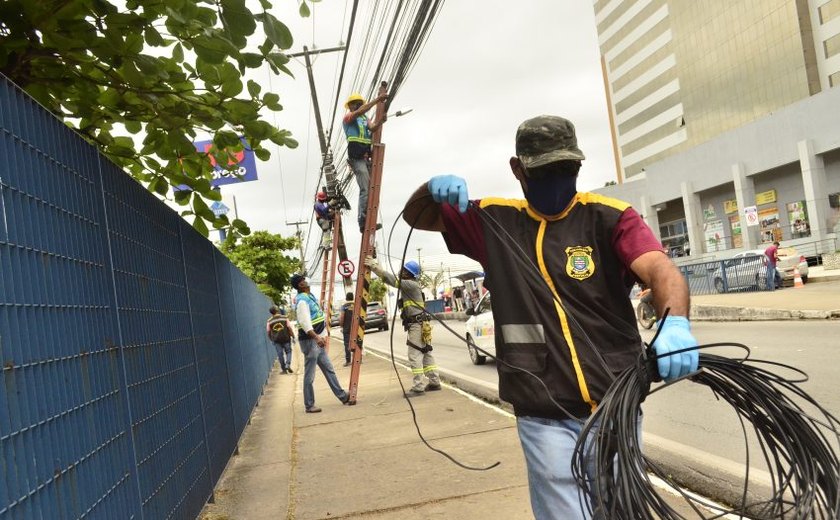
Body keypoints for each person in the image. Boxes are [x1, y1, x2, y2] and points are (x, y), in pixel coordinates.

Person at [401, 115, 698, 518]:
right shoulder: (495, 221)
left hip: (616, 408)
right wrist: (433, 192)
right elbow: (419, 215)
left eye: (567, 168)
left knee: (624, 511)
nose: (558, 179)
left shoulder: (610, 218)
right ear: (518, 170)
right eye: (545, 170)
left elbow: (662, 271)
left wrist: (675, 323)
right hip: (544, 417)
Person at [364, 256, 442, 396]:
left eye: (404, 270)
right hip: (421, 324)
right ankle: (434, 381)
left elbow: (391, 280)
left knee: (414, 355)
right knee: (426, 352)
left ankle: (418, 387)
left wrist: (374, 267)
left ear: (409, 274)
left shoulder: (410, 285)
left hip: (417, 325)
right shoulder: (411, 286)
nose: (401, 271)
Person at [290, 274, 350, 413]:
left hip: (317, 340)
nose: (306, 281)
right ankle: (309, 405)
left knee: (329, 369)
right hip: (311, 341)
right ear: (300, 285)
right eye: (303, 280)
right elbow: (305, 323)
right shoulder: (302, 301)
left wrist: (321, 337)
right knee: (309, 375)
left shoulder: (309, 297)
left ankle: (342, 396)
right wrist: (317, 338)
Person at [343, 92, 387, 232]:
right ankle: (363, 221)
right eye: (355, 103)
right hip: (356, 157)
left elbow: (373, 128)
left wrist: (381, 121)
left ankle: (369, 219)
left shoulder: (364, 118)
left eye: (359, 102)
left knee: (372, 188)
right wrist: (378, 99)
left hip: (365, 155)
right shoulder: (349, 117)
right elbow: (361, 111)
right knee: (365, 189)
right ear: (350, 106)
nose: (358, 105)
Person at [267, 306, 294, 374]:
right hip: (286, 338)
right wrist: (293, 336)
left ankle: (284, 370)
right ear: (277, 310)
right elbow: (289, 328)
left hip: (276, 340)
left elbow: (268, 331)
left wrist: (271, 338)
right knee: (288, 352)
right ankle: (288, 364)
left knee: (280, 354)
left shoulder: (269, 321)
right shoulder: (284, 318)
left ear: (271, 313)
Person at [339, 292, 355, 367]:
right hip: (356, 328)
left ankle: (348, 361)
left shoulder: (344, 306)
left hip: (347, 328)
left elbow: (342, 317)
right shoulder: (356, 305)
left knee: (347, 344)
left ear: (346, 298)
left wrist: (341, 326)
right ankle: (359, 358)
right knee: (357, 343)